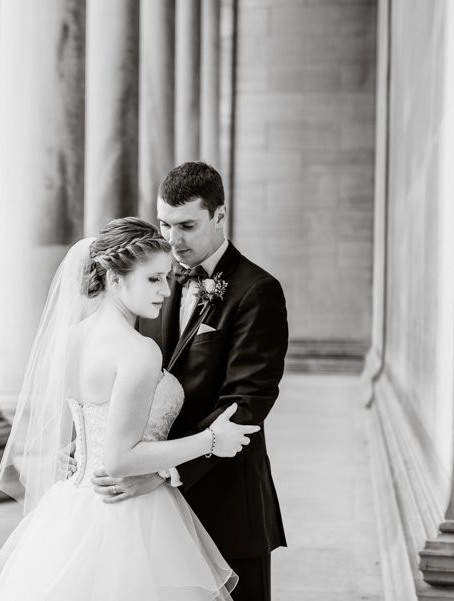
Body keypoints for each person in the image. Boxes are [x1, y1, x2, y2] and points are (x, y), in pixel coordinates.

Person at [0, 217, 260, 600]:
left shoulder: (74, 337)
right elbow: (121, 458)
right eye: (153, 279)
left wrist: (79, 448)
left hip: (72, 504)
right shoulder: (138, 350)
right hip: (128, 511)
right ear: (114, 278)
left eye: (166, 278)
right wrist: (210, 440)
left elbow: (95, 418)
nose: (165, 290)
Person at [91, 162, 289, 601]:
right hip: (148, 507)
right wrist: (93, 441)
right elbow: (123, 375)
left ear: (220, 216)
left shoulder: (258, 291)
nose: (172, 239)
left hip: (224, 497)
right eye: (164, 224)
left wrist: (164, 472)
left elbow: (246, 404)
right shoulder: (153, 282)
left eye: (187, 226)